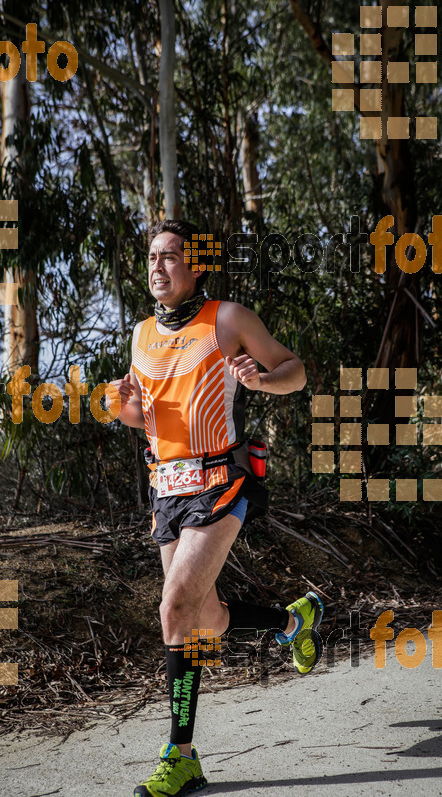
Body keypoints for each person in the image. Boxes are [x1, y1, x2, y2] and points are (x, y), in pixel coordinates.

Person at [108, 219, 324, 797]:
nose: (158, 267)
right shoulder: (140, 334)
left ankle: (181, 755)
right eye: (152, 257)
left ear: (196, 265)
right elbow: (145, 417)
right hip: (167, 490)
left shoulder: (227, 319)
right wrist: (122, 406)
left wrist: (260, 381)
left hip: (221, 481)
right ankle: (294, 620)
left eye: (171, 257)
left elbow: (295, 370)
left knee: (174, 609)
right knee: (207, 619)